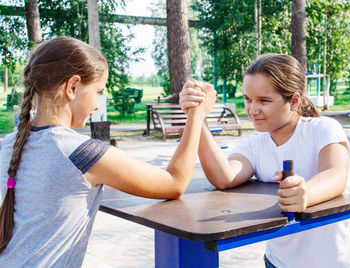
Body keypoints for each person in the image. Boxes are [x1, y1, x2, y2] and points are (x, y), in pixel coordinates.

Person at [0, 36, 216, 267]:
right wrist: (197, 114)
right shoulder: (81, 154)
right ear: (72, 87)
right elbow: (174, 183)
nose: (97, 104)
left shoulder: (10, 143)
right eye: (98, 91)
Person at [179, 54, 350, 268]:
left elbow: (336, 174)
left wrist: (306, 194)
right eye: (248, 99)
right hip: (277, 263)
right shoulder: (256, 144)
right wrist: (197, 116)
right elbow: (223, 176)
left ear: (293, 100)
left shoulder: (323, 128)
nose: (253, 110)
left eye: (264, 100)